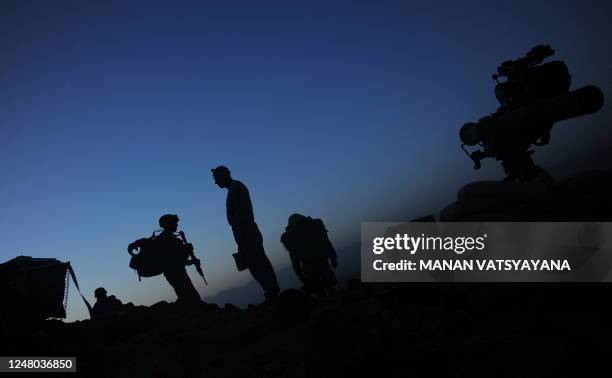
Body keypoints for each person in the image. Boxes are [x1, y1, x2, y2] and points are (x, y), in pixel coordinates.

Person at [211, 166, 280, 301]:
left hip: (246, 231)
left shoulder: (236, 188)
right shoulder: (233, 188)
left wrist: (240, 233)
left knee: (258, 262)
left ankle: (272, 292)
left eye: (216, 178)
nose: (215, 182)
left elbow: (241, 213)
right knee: (255, 262)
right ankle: (271, 291)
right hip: (244, 231)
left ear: (224, 175)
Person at [128, 214, 202, 306]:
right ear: (168, 224)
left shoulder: (168, 238)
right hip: (175, 273)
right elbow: (171, 257)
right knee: (190, 297)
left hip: (175, 272)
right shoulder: (166, 238)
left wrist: (190, 260)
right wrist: (185, 250)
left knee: (187, 296)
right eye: (174, 223)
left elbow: (176, 260)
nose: (176, 225)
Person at [281, 213, 338, 297]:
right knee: (329, 285)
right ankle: (333, 298)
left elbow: (294, 259)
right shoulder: (315, 227)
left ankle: (324, 300)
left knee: (318, 288)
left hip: (308, 264)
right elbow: (326, 242)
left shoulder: (291, 236)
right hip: (322, 259)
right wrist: (333, 258)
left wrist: (300, 275)